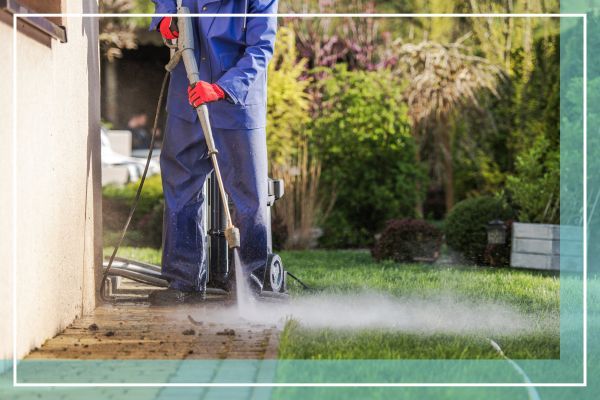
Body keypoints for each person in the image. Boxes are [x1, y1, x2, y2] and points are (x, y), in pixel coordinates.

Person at [148, 0, 278, 304]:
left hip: (235, 105)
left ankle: (249, 287)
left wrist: (221, 89)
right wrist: (164, 17)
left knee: (248, 198)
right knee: (181, 189)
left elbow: (261, 49)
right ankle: (185, 282)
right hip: (187, 101)